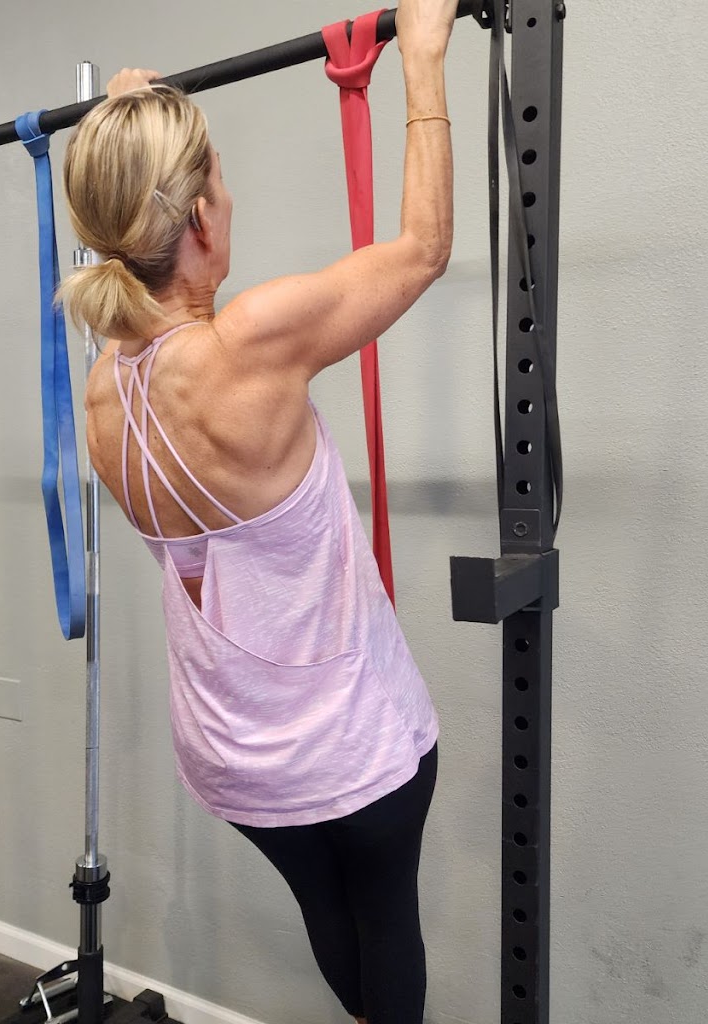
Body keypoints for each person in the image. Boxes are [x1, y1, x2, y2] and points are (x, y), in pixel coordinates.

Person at [61, 2, 457, 1020]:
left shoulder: (103, 394)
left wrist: (121, 126)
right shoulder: (249, 345)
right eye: (222, 184)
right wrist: (421, 55)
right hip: (350, 749)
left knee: (335, 915)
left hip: (237, 762)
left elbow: (118, 260)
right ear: (199, 218)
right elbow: (422, 249)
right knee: (384, 919)